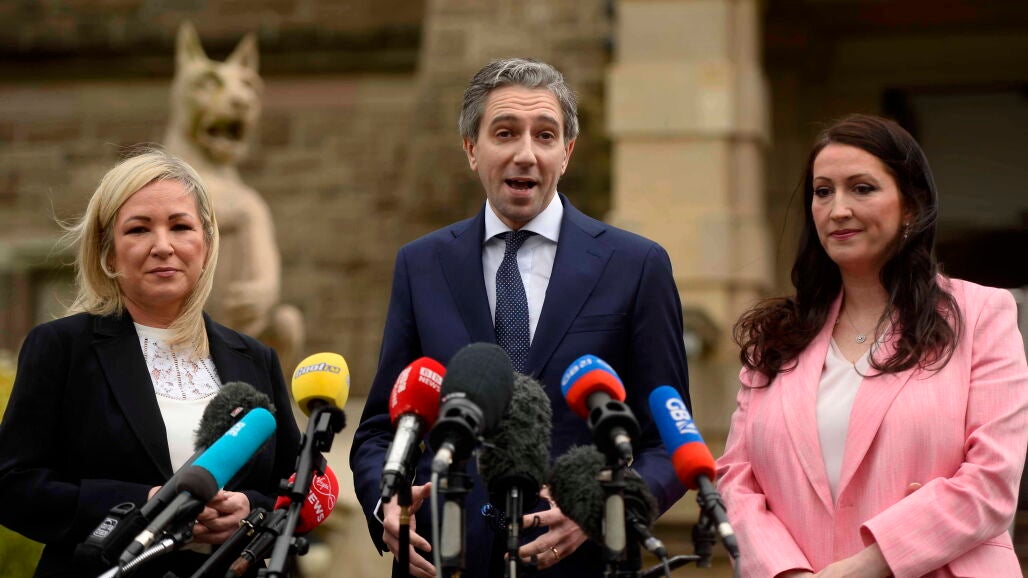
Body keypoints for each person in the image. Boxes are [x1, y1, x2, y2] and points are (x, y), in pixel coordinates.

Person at [349, 58, 690, 577]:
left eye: (545, 135)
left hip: (581, 565)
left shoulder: (636, 265)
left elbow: (668, 439)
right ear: (472, 149)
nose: (525, 154)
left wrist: (601, 511)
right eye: (505, 133)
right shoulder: (421, 264)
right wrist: (386, 501)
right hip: (445, 559)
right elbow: (380, 429)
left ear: (566, 152)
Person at [717, 114, 1028, 577]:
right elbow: (736, 481)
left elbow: (992, 480)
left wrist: (863, 567)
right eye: (823, 192)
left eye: (861, 188)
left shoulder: (981, 314)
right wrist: (788, 573)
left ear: (911, 206)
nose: (838, 209)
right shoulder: (777, 336)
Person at [0, 149, 301, 577]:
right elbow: (12, 485)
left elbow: (294, 487)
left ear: (206, 244)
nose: (163, 246)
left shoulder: (254, 357)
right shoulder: (62, 347)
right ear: (108, 253)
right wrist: (145, 504)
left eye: (180, 226)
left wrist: (249, 511)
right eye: (139, 229)